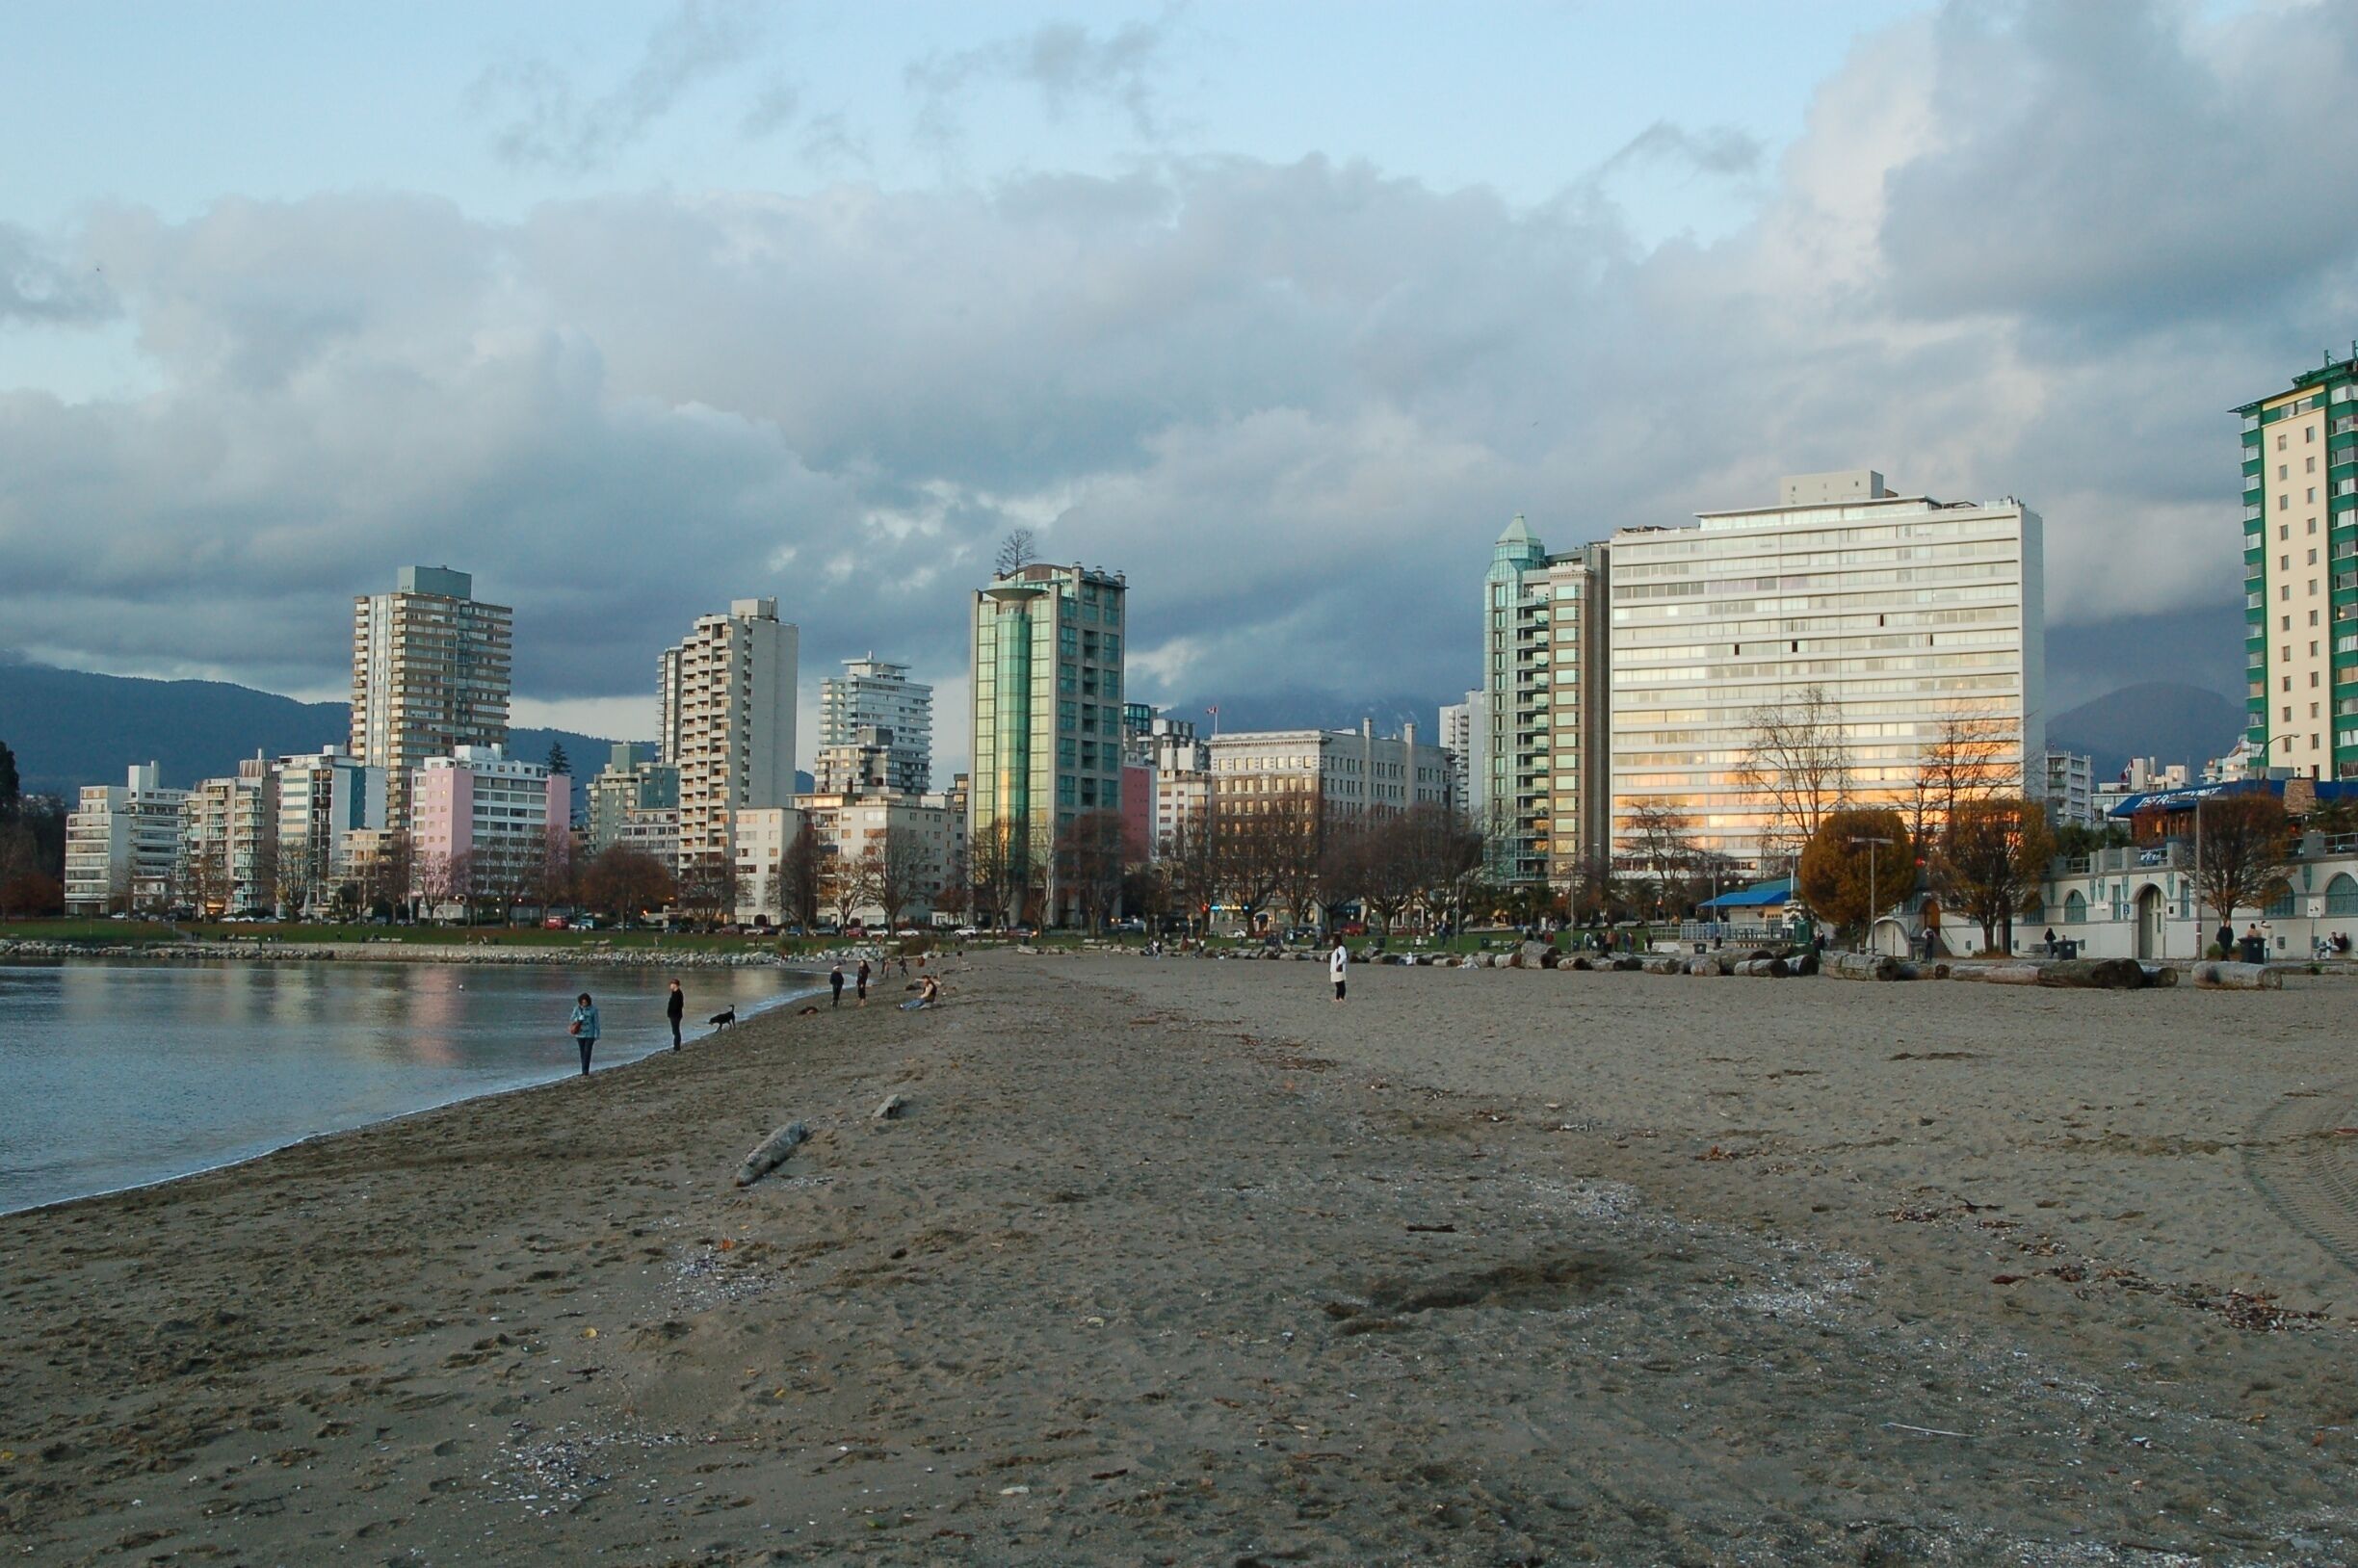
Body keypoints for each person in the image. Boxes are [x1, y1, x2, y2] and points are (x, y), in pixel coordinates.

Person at [568, 992, 600, 1077]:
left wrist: (597, 1034)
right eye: (582, 1002)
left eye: (585, 1002)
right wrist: (578, 1018)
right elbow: (571, 1019)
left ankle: (585, 1071)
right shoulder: (577, 1009)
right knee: (582, 1052)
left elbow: (596, 1022)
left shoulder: (594, 1009)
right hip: (580, 1034)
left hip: (590, 1034)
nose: (584, 1004)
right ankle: (583, 1070)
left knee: (587, 1052)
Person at [666, 979, 685, 1051]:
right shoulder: (674, 993)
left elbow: (678, 1005)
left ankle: (677, 1048)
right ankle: (676, 1047)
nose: (670, 986)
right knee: (675, 1031)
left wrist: (672, 1013)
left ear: (675, 985)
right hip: (673, 1015)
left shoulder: (678, 994)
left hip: (675, 1015)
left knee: (676, 1031)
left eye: (671, 984)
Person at [1329, 938, 1349, 1003]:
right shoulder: (1336, 949)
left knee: (1340, 984)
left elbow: (1343, 957)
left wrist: (1338, 964)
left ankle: (1341, 997)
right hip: (1335, 970)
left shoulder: (1341, 948)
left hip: (1339, 969)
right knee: (1338, 985)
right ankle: (1338, 998)